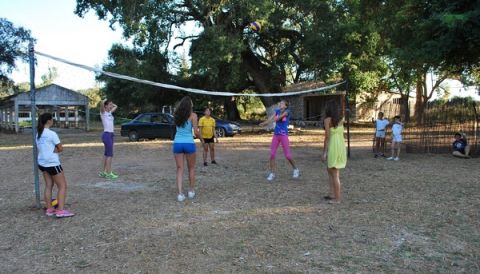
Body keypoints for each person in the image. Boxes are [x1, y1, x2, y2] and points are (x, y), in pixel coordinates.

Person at [36, 113, 74, 218]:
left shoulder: (38, 133)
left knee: (48, 186)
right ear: (49, 121)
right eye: (52, 119)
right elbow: (60, 148)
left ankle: (49, 209)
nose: (53, 121)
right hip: (52, 164)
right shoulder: (52, 134)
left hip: (42, 163)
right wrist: (54, 150)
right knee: (62, 186)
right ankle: (60, 211)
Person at [259, 100, 300, 181]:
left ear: (285, 106)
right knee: (272, 154)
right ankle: (272, 173)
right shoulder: (277, 111)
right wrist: (264, 123)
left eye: (281, 103)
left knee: (288, 155)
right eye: (280, 103)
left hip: (284, 135)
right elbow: (271, 118)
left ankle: (296, 169)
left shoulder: (287, 112)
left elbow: (279, 117)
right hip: (276, 135)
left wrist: (274, 119)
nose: (280, 104)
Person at [173, 96, 203, 202]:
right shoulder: (193, 115)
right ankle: (191, 191)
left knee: (179, 169)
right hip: (189, 143)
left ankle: (180, 194)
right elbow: (196, 132)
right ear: (190, 105)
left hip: (177, 143)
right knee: (191, 168)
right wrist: (202, 140)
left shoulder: (176, 114)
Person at [322, 100, 347, 204]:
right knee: (329, 170)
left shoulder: (327, 120)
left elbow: (327, 137)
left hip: (333, 146)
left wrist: (324, 152)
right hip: (341, 146)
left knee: (335, 173)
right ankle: (332, 193)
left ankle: (337, 199)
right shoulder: (342, 119)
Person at [99, 99, 118, 180]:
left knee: (106, 155)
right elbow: (101, 105)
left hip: (110, 135)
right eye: (109, 105)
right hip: (106, 135)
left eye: (111, 105)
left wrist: (111, 103)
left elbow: (116, 106)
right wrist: (104, 101)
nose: (111, 106)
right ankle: (109, 173)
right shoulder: (103, 113)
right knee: (109, 155)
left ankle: (103, 172)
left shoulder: (109, 113)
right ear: (105, 106)